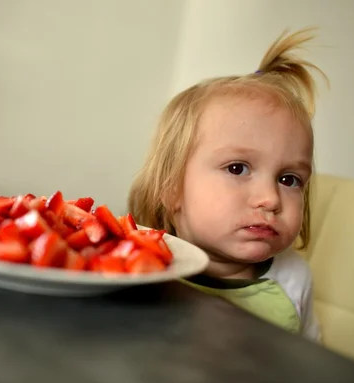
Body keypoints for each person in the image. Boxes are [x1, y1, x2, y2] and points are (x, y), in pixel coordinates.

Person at [127, 27, 328, 341]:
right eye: (237, 168)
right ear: (171, 188)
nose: (270, 199)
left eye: (289, 179)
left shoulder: (293, 280)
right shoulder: (140, 264)